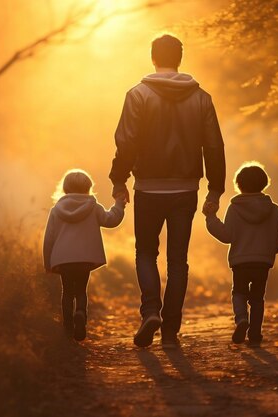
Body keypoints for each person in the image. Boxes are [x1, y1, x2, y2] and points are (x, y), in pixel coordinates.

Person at [109, 34, 226, 348]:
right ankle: (170, 330)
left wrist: (118, 180)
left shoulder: (138, 94)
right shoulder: (201, 98)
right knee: (178, 260)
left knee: (146, 253)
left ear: (152, 58)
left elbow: (127, 142)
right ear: (180, 58)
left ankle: (151, 311)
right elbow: (214, 146)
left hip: (148, 188)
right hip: (185, 190)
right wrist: (215, 189)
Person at [203, 162, 278, 346]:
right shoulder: (273, 209)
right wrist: (266, 251)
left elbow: (226, 236)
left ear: (238, 185)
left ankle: (241, 319)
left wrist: (210, 218)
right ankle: (255, 335)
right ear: (264, 183)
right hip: (263, 263)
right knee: (257, 298)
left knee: (239, 293)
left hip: (240, 262)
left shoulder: (235, 208)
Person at [43, 169, 125, 341]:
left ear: (65, 188)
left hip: (63, 259)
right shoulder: (93, 207)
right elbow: (111, 220)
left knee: (67, 292)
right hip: (85, 258)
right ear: (88, 188)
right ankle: (80, 313)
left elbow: (49, 238)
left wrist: (47, 262)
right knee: (81, 290)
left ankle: (67, 328)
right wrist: (119, 204)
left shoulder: (56, 210)